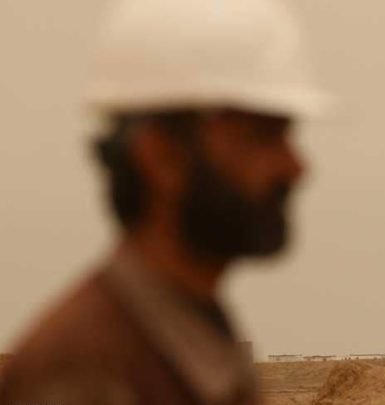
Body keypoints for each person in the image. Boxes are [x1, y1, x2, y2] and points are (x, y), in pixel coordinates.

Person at [0, 0, 324, 403]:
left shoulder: (191, 343)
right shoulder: (83, 375)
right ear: (162, 157)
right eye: (262, 138)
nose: (295, 168)